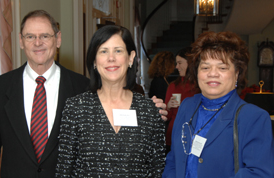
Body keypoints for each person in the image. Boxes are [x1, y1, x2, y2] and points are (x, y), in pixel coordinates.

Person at [0, 10, 167, 178]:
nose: (38, 43)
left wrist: (149, 109)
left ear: (58, 39)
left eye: (45, 36)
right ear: (20, 41)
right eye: (30, 37)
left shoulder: (82, 88)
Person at [55, 25, 165, 177]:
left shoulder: (149, 111)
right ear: (94, 60)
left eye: (118, 51)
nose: (111, 58)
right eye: (103, 51)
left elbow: (157, 170)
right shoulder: (76, 108)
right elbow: (64, 170)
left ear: (131, 57)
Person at [162, 31, 274, 178]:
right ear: (197, 72)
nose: (212, 73)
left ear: (237, 74)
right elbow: (173, 159)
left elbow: (258, 173)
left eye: (222, 68)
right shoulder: (187, 106)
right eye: (205, 67)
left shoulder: (254, 118)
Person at [164, 47, 198, 154]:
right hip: (174, 134)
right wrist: (168, 106)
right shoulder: (173, 86)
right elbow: (167, 116)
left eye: (179, 63)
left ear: (190, 63)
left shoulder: (200, 87)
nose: (176, 67)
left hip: (194, 135)